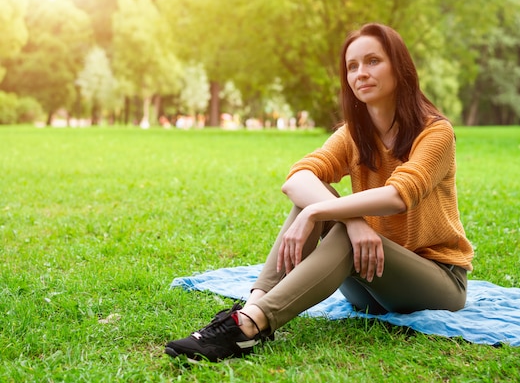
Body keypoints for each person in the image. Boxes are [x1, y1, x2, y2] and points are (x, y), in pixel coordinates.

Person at [165, 23, 474, 363]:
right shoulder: (355, 134)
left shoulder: (435, 132)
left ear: (400, 68)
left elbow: (399, 196)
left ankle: (251, 324)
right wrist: (352, 220)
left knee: (324, 213)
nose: (361, 73)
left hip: (435, 283)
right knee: (315, 198)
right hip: (370, 277)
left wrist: (322, 213)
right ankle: (248, 312)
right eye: (352, 66)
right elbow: (297, 178)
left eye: (373, 61)